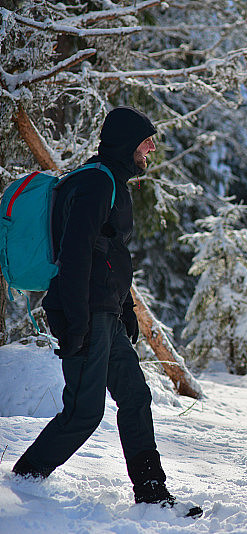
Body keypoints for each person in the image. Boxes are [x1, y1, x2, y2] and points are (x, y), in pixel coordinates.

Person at [12, 107, 200, 516]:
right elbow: (76, 254)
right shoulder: (96, 182)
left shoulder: (108, 181)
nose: (152, 148)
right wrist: (76, 323)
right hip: (85, 313)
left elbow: (109, 255)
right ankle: (22, 481)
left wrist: (126, 309)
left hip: (104, 312)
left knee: (135, 397)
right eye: (146, 141)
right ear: (127, 142)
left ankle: (152, 493)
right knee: (83, 413)